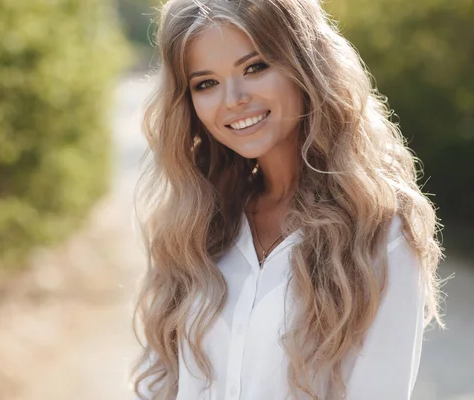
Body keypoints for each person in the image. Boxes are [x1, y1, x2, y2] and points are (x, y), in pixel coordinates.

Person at [130, 0, 444, 399]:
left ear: (305, 65)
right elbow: (163, 379)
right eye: (205, 83)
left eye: (255, 67)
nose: (233, 98)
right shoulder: (194, 225)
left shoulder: (380, 228)